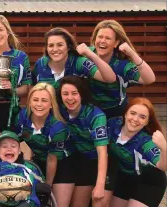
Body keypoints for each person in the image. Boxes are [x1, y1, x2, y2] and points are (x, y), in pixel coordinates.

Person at [13, 82, 75, 207]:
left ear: (51, 104)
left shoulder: (57, 127)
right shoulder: (22, 117)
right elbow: (14, 141)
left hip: (62, 164)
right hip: (39, 161)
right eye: (35, 100)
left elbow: (52, 159)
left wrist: (47, 187)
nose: (39, 104)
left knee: (54, 202)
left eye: (44, 100)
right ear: (29, 102)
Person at [57, 76, 113, 207]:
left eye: (74, 93)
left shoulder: (95, 115)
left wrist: (100, 184)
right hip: (84, 161)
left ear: (82, 94)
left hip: (105, 161)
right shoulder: (61, 111)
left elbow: (102, 152)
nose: (70, 98)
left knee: (98, 201)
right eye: (65, 94)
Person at [89, 20, 156, 118]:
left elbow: (149, 79)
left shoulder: (122, 65)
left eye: (108, 38)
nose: (102, 41)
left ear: (116, 43)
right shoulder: (85, 55)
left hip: (115, 113)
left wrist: (131, 53)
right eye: (100, 37)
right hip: (90, 111)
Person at [107, 97, 166, 207]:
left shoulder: (145, 142)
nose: (135, 119)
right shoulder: (113, 124)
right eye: (132, 113)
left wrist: (164, 148)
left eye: (142, 117)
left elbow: (162, 166)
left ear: (147, 122)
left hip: (148, 182)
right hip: (125, 178)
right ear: (125, 114)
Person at [0, 130, 44, 207]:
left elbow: (41, 187)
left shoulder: (30, 169)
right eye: (4, 146)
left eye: (13, 146)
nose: (9, 149)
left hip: (24, 202)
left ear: (19, 150)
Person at [32, 27, 116, 90]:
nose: (55, 49)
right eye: (50, 45)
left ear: (68, 47)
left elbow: (110, 78)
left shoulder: (79, 62)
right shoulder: (41, 63)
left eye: (60, 45)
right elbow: (32, 88)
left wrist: (91, 54)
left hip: (76, 112)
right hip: (49, 112)